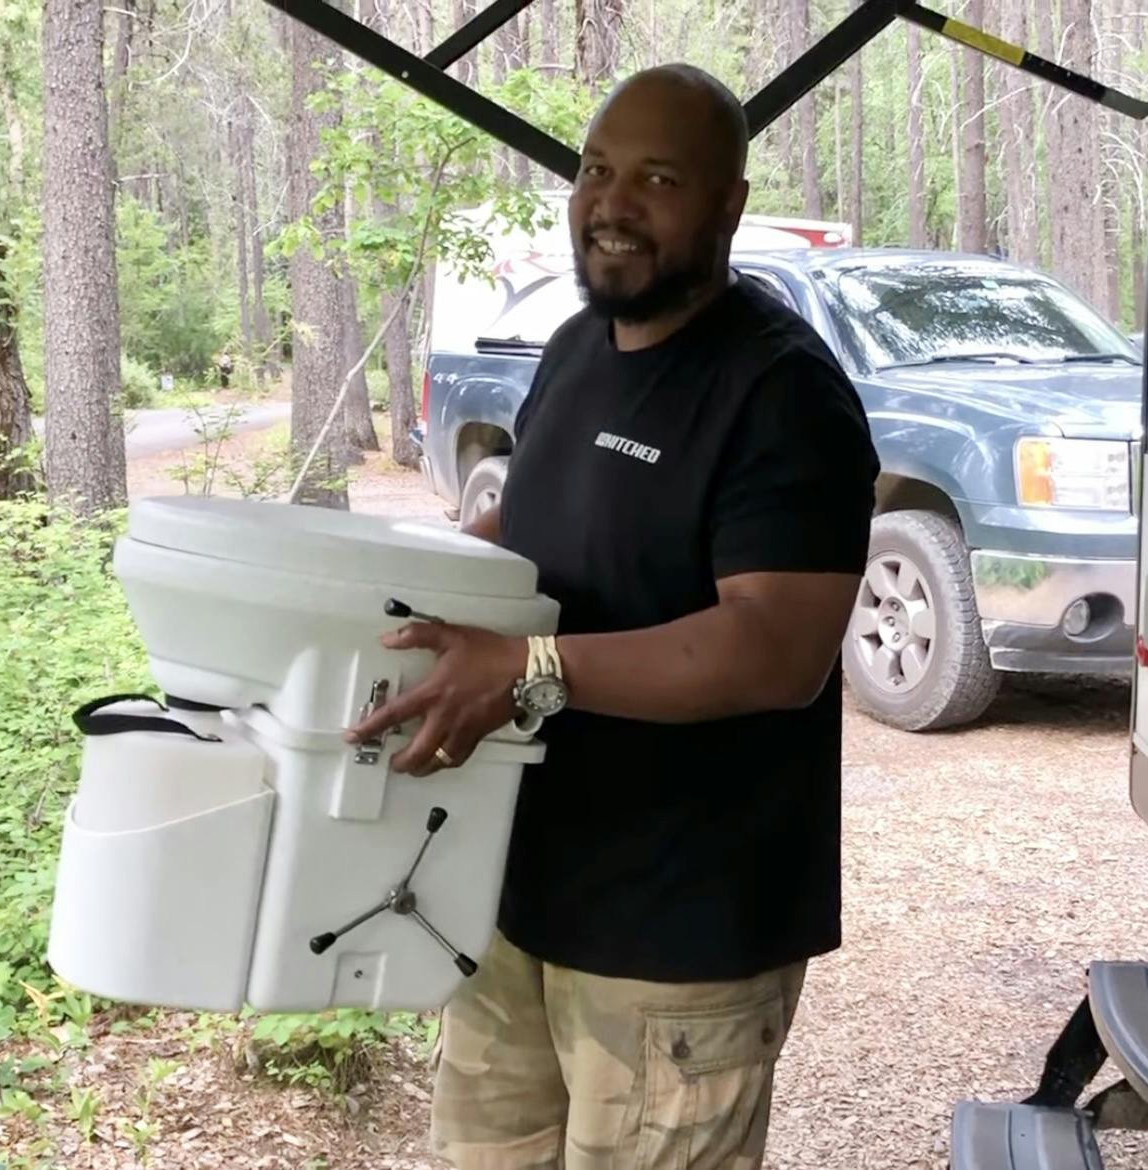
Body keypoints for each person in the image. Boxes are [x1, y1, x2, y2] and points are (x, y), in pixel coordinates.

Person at [345, 63, 880, 1170]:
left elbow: (776, 652)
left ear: (727, 204)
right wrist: (385, 584)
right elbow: (531, 539)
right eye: (595, 170)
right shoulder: (578, 349)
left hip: (674, 933)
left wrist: (528, 670)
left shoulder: (781, 392)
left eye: (657, 177)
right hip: (514, 898)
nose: (611, 202)